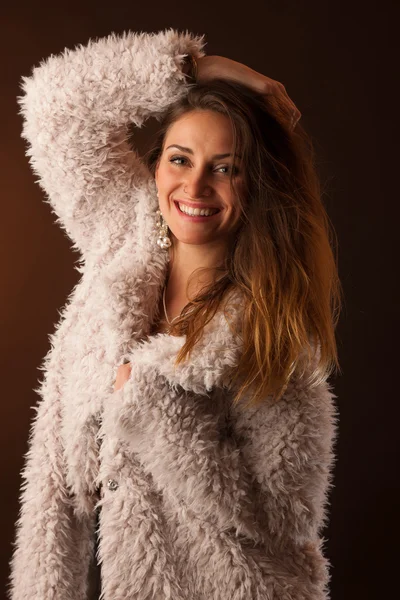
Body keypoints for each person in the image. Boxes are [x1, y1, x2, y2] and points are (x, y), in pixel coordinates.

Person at [7, 29, 341, 600]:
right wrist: (196, 68)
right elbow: (54, 106)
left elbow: (285, 517)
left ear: (254, 183)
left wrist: (158, 413)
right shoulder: (122, 245)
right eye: (180, 159)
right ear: (157, 165)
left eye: (225, 168)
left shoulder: (273, 330)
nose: (195, 185)